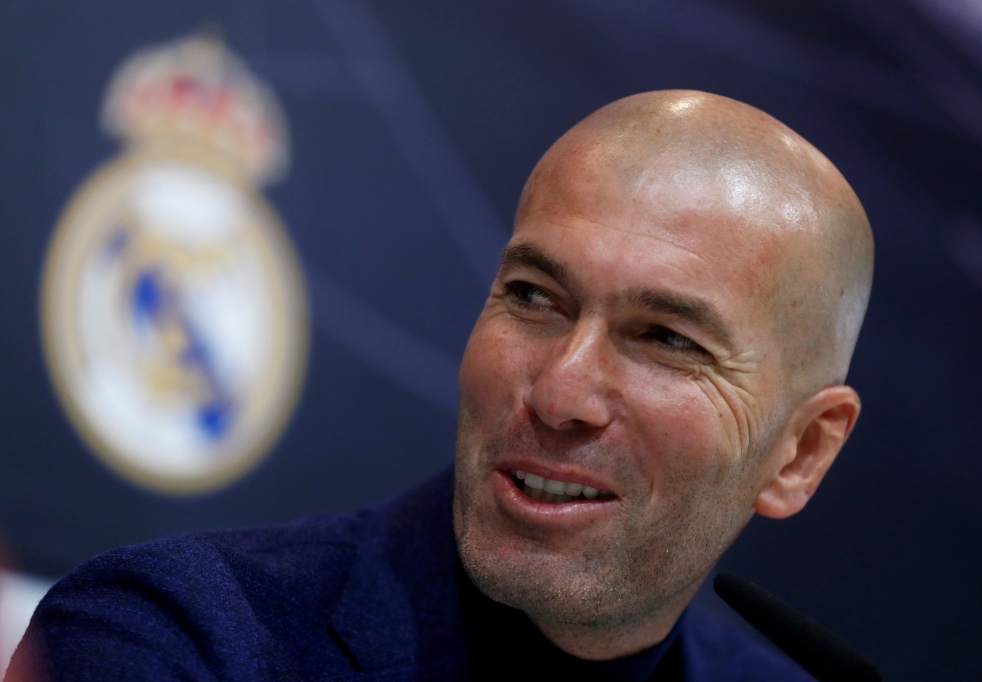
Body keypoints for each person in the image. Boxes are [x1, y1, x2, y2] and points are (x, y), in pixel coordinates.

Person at [8, 90, 874, 681]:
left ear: (800, 453)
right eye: (534, 297)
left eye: (666, 340)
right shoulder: (174, 640)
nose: (560, 392)